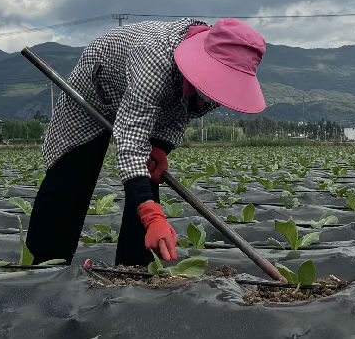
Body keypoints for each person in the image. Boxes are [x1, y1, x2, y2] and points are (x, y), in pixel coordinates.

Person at [25, 17, 267, 266]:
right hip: (96, 91)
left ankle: (134, 268)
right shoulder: (154, 57)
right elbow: (131, 139)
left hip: (151, 100)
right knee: (72, 171)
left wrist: (162, 145)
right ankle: (44, 263)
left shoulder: (220, 84)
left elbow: (180, 112)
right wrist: (151, 215)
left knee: (148, 176)